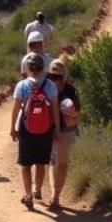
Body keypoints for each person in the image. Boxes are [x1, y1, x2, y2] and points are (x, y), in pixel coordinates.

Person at [11, 52, 61, 208]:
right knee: (41, 162)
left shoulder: (22, 85)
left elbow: (15, 109)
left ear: (28, 68)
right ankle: (37, 189)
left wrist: (12, 128)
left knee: (25, 164)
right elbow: (55, 109)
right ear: (43, 68)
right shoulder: (50, 85)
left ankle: (28, 196)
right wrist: (57, 129)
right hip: (46, 129)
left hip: (26, 128)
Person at [47, 57, 80, 211]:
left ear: (64, 76)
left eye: (58, 77)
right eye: (53, 76)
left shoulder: (69, 91)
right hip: (57, 131)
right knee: (58, 163)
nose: (56, 80)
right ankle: (55, 196)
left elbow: (77, 114)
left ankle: (55, 196)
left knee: (59, 163)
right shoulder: (70, 90)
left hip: (61, 131)